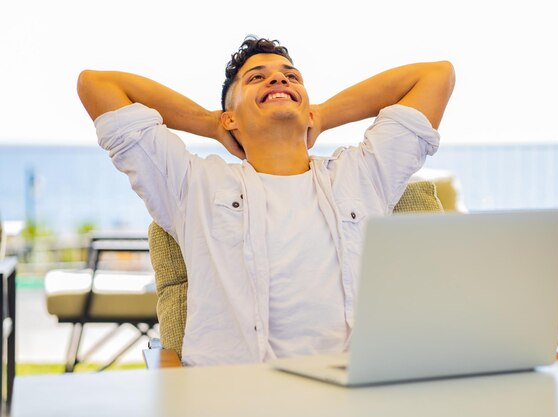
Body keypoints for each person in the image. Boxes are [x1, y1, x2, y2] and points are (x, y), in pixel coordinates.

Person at [77, 36, 455, 366]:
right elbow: (97, 84)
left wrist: (320, 114)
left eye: (291, 77)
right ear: (231, 118)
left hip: (352, 387)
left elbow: (436, 75)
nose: (279, 78)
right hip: (239, 393)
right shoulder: (191, 184)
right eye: (256, 77)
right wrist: (211, 123)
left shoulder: (363, 173)